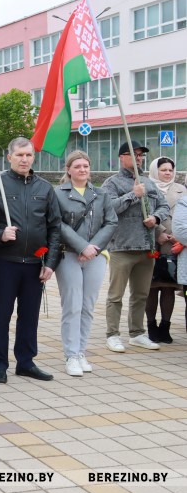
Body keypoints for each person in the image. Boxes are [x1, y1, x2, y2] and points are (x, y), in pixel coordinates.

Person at [0, 137, 61, 384]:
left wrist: (51, 263)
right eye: (19, 155)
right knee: (2, 313)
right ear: (9, 157)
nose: (24, 159)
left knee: (29, 315)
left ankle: (26, 362)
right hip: (4, 260)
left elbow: (55, 227)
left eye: (28, 155)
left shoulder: (45, 188)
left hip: (35, 263)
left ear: (33, 157)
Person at [54, 151, 117, 376]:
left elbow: (111, 222)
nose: (82, 170)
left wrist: (93, 248)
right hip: (69, 254)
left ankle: (81, 351)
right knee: (72, 305)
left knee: (88, 307)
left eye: (85, 166)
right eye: (77, 166)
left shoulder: (101, 194)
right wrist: (82, 246)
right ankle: (71, 355)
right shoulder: (58, 193)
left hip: (96, 256)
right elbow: (58, 224)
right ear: (69, 170)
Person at [102, 141, 169, 353]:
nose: (138, 158)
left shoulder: (149, 182)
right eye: (133, 154)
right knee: (116, 296)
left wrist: (156, 218)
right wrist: (133, 195)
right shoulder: (111, 183)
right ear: (122, 157)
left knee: (141, 295)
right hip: (122, 247)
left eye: (140, 155)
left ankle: (137, 333)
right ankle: (112, 334)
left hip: (146, 247)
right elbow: (109, 208)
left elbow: (164, 206)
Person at [145, 156, 186, 343]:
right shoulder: (146, 187)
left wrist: (180, 237)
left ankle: (165, 327)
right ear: (155, 171)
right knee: (151, 287)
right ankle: (151, 326)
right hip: (152, 243)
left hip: (175, 245)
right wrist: (159, 232)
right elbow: (143, 213)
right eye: (163, 170)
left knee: (169, 286)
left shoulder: (181, 190)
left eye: (170, 170)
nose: (167, 173)